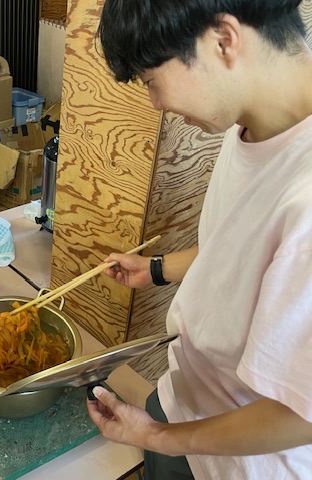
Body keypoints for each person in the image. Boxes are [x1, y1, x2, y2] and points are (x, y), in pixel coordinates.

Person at [87, 1, 312, 478]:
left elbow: (300, 413)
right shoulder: (250, 120)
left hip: (239, 462)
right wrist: (155, 269)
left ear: (223, 41)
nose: (155, 102)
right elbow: (238, 251)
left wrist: (156, 437)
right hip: (182, 399)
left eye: (151, 81)